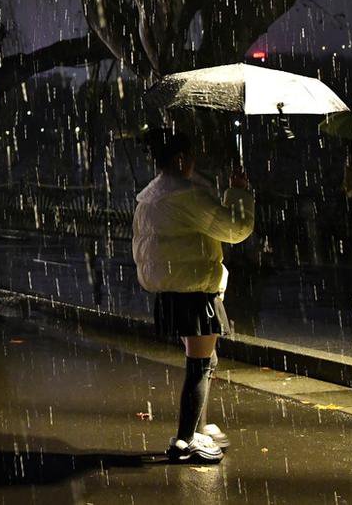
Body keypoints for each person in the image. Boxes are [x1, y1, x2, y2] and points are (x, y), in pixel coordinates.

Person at [132, 127, 255, 464]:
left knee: (204, 360)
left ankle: (198, 426)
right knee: (200, 363)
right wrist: (239, 193)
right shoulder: (187, 195)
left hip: (172, 290)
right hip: (196, 290)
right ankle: (185, 439)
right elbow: (234, 230)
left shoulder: (149, 196)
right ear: (182, 159)